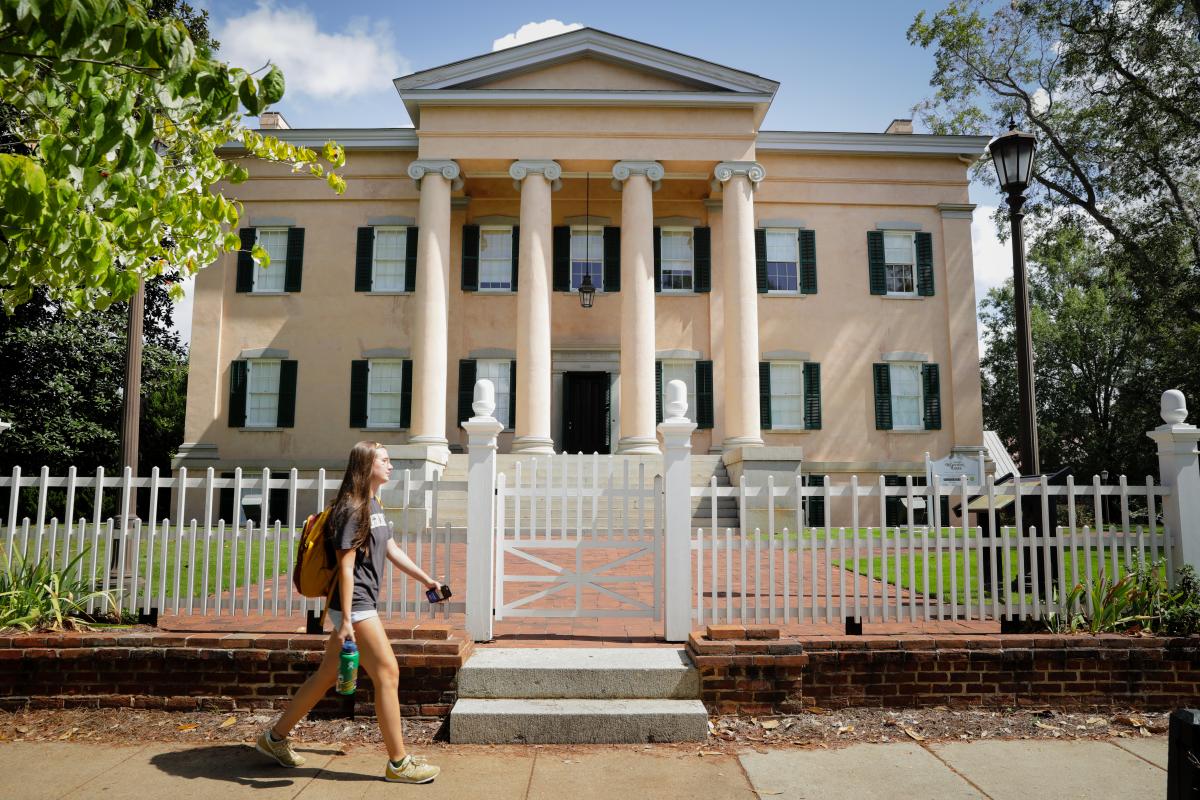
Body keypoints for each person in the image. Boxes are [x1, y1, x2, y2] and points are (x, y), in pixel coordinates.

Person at [256, 441, 442, 784]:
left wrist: (425, 579)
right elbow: (345, 566)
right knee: (388, 673)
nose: (391, 465)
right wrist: (344, 625)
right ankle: (399, 764)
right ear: (366, 465)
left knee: (325, 676)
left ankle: (274, 739)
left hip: (357, 605)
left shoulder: (373, 504)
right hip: (354, 605)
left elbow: (389, 547)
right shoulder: (353, 508)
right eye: (384, 460)